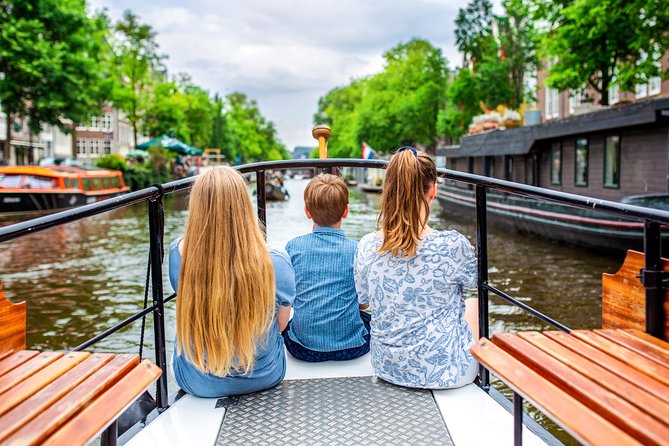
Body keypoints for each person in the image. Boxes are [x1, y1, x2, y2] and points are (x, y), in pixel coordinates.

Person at [354, 147, 478, 389]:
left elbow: (365, 301)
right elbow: (475, 281)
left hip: (386, 369)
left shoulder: (368, 245)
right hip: (448, 374)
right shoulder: (452, 245)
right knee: (475, 302)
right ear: (433, 191)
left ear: (387, 190)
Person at [168, 166, 296, 398]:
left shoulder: (178, 253)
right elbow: (281, 325)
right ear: (245, 205)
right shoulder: (275, 260)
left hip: (198, 382)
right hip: (264, 376)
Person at [282, 174, 370, 362]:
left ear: (307, 212)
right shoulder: (357, 250)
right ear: (346, 211)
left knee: (291, 323)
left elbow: (290, 296)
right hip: (352, 348)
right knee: (367, 318)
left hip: (302, 349)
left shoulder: (293, 247)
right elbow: (364, 303)